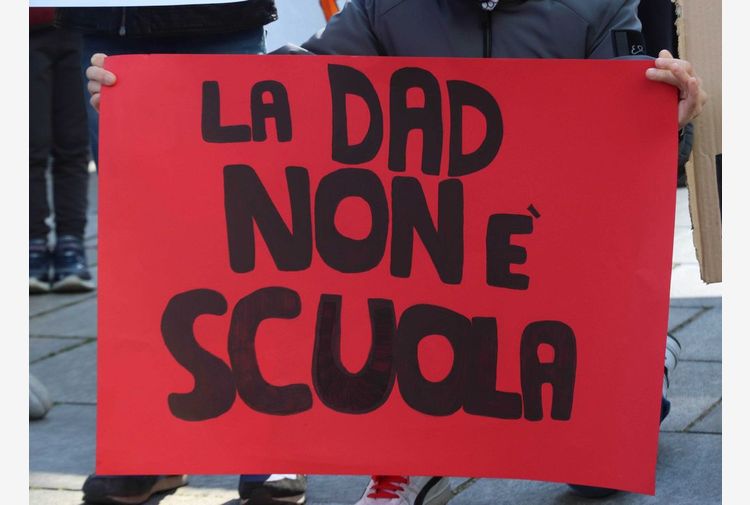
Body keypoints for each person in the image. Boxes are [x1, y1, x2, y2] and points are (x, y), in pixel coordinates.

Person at [85, 0, 707, 503]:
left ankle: (644, 356)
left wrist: (670, 117)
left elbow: (627, 144)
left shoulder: (598, 6)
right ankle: (400, 456)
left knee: (595, 478)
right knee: (377, 274)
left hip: (544, 250)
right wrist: (155, 103)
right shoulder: (387, 7)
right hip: (430, 248)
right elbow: (297, 86)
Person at [56, 3, 306, 505]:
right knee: (139, 243)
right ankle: (150, 444)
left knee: (247, 229)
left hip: (221, 17)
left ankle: (267, 443)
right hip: (113, 22)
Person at [30, 7, 94, 294]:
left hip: (78, 26)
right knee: (29, 147)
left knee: (74, 144)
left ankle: (72, 244)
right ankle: (32, 243)